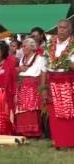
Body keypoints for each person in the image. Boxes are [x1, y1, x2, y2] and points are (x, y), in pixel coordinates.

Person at [44, 19, 74, 148]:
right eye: (59, 27)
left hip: (67, 81)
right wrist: (44, 88)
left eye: (64, 28)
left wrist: (67, 62)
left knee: (68, 113)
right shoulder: (50, 43)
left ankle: (70, 141)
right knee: (54, 113)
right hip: (51, 81)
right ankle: (58, 141)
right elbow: (43, 68)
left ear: (70, 30)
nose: (61, 30)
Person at [15, 38, 46, 137]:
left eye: (24, 46)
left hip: (33, 86)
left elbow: (43, 73)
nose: (22, 48)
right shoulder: (22, 59)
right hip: (21, 85)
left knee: (32, 109)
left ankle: (34, 132)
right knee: (22, 110)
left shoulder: (40, 58)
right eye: (22, 46)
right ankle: (23, 132)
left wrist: (42, 88)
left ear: (32, 47)